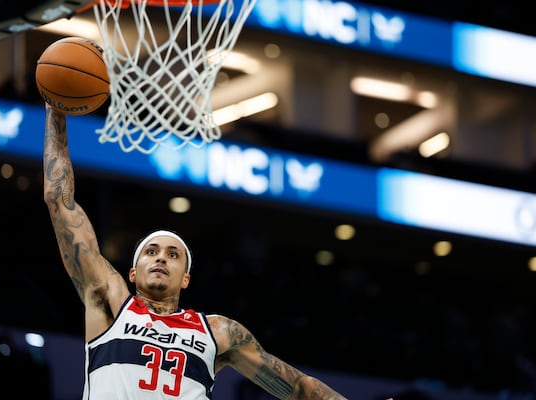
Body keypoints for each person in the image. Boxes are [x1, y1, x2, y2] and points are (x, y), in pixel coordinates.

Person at [42, 103, 349, 400]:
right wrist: (56, 112)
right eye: (151, 252)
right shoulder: (111, 303)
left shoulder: (218, 332)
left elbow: (297, 387)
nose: (161, 257)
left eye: (173, 255)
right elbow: (59, 200)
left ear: (185, 279)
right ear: (132, 273)